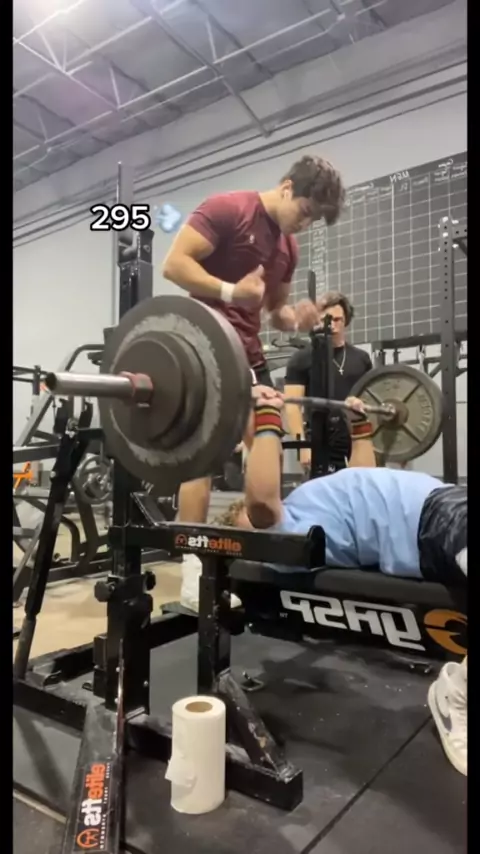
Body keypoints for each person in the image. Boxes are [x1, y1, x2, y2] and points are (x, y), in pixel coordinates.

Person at [216, 385, 468, 777]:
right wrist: (267, 418)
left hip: (440, 503)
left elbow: (363, 476)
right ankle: (457, 693)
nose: (255, 522)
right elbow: (262, 502)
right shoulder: (283, 544)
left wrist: (360, 426)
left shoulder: (304, 505)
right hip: (432, 521)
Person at [162, 154, 346, 610]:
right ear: (286, 188)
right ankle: (193, 575)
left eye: (313, 219)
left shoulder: (288, 248)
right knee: (202, 459)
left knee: (266, 442)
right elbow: (174, 265)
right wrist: (230, 291)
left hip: (247, 352)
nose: (305, 223)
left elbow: (275, 311)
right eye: (305, 211)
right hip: (204, 344)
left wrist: (297, 318)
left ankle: (263, 559)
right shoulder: (228, 209)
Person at [284, 292, 374, 474]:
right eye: (327, 319)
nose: (332, 325)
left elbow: (369, 401)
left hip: (354, 439)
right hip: (319, 441)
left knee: (360, 486)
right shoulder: (301, 359)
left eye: (338, 319)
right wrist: (302, 446)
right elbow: (292, 406)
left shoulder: (361, 359)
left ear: (346, 321)